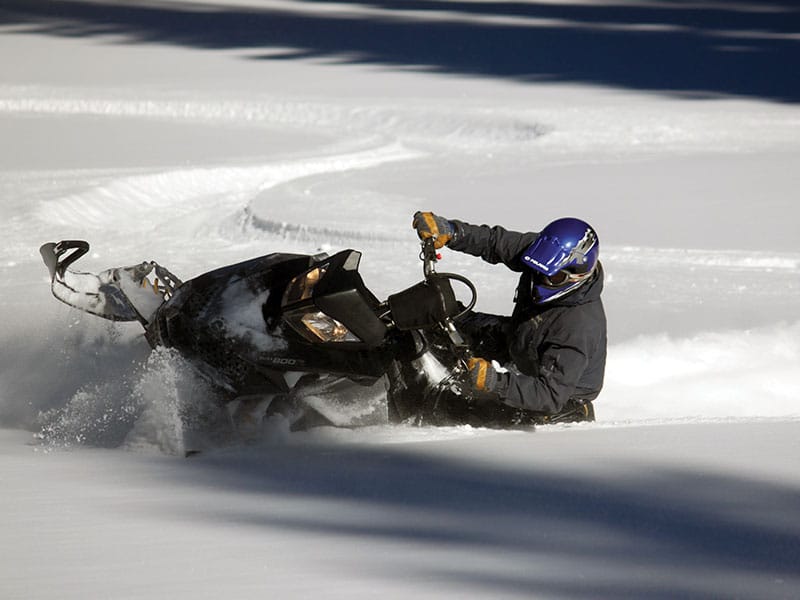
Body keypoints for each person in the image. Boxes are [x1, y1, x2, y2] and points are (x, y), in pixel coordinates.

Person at [412, 211, 607, 424]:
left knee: (454, 411)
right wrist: (452, 231)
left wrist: (494, 382)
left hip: (554, 402)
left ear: (578, 275)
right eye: (537, 271)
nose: (541, 281)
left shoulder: (578, 326)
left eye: (554, 277)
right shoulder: (544, 253)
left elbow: (550, 395)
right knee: (448, 320)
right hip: (523, 338)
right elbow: (495, 242)